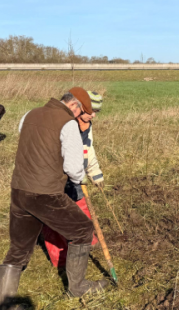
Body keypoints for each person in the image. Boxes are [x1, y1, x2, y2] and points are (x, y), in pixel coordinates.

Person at [0, 91, 109, 307]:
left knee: (19, 248)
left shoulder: (29, 114)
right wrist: (81, 178)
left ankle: (5, 302)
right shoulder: (68, 125)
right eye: (81, 110)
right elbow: (74, 169)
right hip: (45, 193)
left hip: (19, 190)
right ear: (74, 105)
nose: (80, 114)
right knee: (83, 230)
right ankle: (78, 287)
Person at [35, 89, 105, 269]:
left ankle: (88, 241)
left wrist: (94, 173)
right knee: (53, 220)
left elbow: (87, 150)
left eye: (96, 111)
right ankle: (61, 259)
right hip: (52, 179)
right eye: (91, 111)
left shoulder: (85, 126)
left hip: (74, 176)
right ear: (79, 108)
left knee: (81, 206)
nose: (93, 116)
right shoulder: (60, 123)